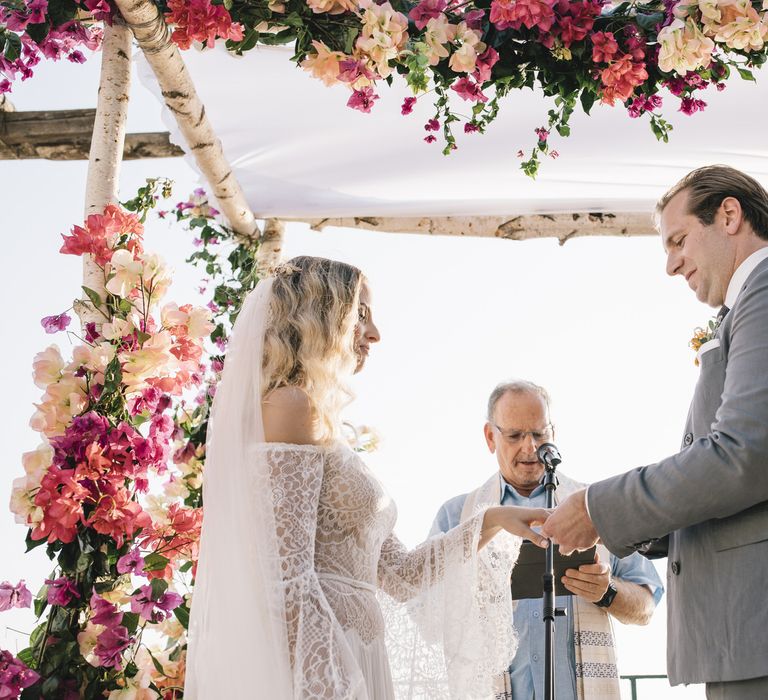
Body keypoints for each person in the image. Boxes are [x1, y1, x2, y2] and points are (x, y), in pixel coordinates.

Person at [184, 256, 551, 700]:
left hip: (356, 653)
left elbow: (404, 575)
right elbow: (287, 580)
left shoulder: (316, 421)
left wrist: (492, 519)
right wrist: (335, 686)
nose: (375, 332)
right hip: (325, 668)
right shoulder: (289, 407)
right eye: (360, 314)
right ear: (318, 314)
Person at [542, 165, 768, 699]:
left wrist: (599, 508)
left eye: (679, 240)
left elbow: (744, 455)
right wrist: (612, 524)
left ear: (729, 215)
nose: (671, 265)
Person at [430, 380, 663, 699]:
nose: (530, 447)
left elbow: (647, 606)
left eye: (540, 434)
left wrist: (606, 592)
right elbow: (428, 610)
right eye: (514, 436)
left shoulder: (596, 507)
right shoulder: (457, 516)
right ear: (490, 437)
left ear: (554, 432)